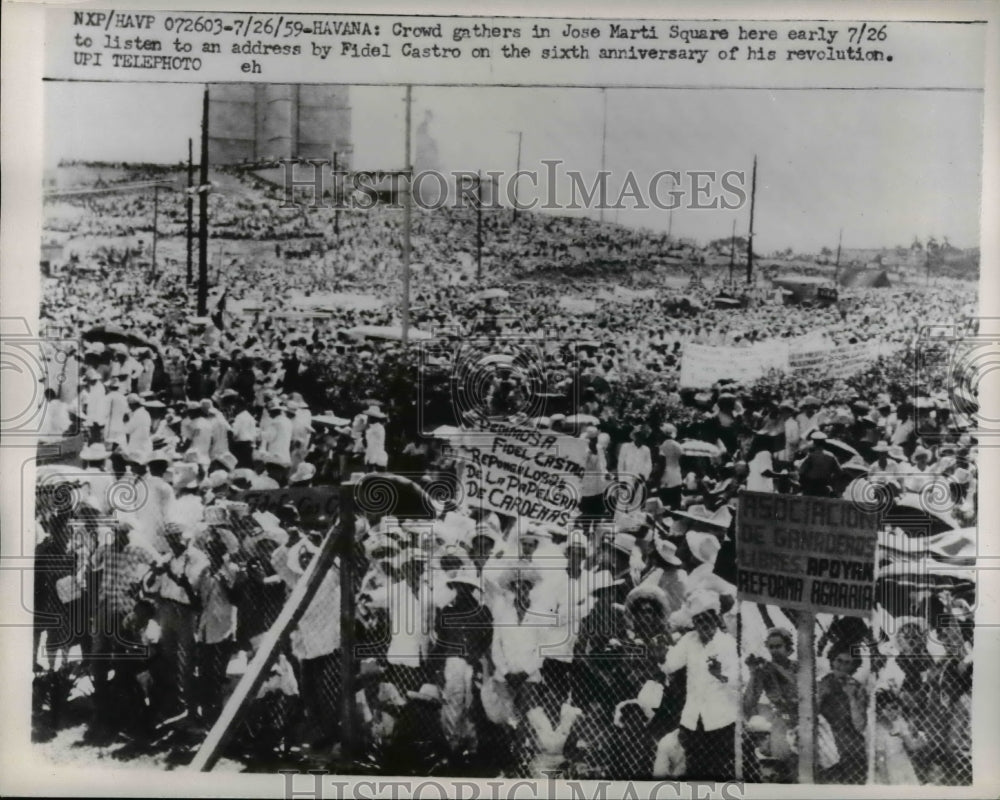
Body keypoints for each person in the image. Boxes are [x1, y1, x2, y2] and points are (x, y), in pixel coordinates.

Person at [662, 590, 737, 779]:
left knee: (718, 771)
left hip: (720, 721)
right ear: (693, 622)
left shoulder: (728, 643)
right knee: (694, 769)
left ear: (716, 618)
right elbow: (670, 665)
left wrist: (721, 675)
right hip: (693, 719)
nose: (703, 624)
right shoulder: (689, 640)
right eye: (699, 619)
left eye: (707, 618)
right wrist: (659, 653)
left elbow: (738, 681)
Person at [742, 627, 798, 781]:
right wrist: (754, 672)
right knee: (783, 763)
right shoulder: (766, 670)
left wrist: (775, 668)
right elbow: (749, 702)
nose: (774, 650)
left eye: (778, 646)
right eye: (771, 647)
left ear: (788, 648)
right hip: (783, 719)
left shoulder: (799, 667)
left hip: (804, 716)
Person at [816, 643, 868, 784]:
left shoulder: (857, 688)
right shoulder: (822, 683)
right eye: (839, 660)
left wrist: (851, 697)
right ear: (832, 660)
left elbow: (860, 726)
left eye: (847, 663)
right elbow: (811, 715)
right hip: (827, 741)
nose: (841, 666)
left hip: (851, 743)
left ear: (853, 666)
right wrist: (820, 696)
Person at [797, 431, 842, 497]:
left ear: (814, 443)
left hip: (811, 488)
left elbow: (801, 471)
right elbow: (839, 472)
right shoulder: (831, 456)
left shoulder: (811, 456)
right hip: (824, 487)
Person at [657, 423, 684, 510]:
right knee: (676, 503)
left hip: (666, 477)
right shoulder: (678, 445)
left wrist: (658, 478)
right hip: (677, 476)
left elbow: (662, 464)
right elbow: (681, 460)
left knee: (665, 503)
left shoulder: (663, 446)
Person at [364, 406, 389, 472]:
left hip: (377, 456)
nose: (368, 418)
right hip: (371, 454)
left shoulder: (377, 428)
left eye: (369, 416)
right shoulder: (373, 427)